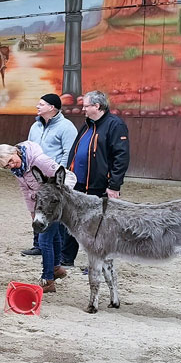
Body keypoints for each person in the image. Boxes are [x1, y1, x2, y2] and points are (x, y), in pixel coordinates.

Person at [0, 142, 75, 292]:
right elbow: (25, 191)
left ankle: (47, 279)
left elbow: (67, 176)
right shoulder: (19, 170)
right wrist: (32, 212)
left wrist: (59, 197)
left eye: (11, 161)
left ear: (16, 152)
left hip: (53, 205)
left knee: (44, 239)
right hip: (42, 207)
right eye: (7, 166)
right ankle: (56, 268)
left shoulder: (39, 161)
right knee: (53, 235)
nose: (11, 166)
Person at [60, 90, 130, 267]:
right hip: (79, 183)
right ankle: (67, 257)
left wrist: (114, 185)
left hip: (98, 185)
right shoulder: (88, 125)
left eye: (86, 105)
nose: (83, 109)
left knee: (98, 226)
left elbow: (121, 157)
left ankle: (98, 263)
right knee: (74, 221)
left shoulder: (115, 125)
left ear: (97, 106)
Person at [21, 93, 78, 256]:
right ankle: (38, 244)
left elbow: (69, 151)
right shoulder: (35, 127)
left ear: (52, 108)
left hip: (55, 177)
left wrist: (60, 174)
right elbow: (28, 148)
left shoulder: (67, 127)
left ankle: (55, 247)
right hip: (37, 175)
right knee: (37, 207)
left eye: (41, 104)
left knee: (55, 211)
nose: (37, 106)